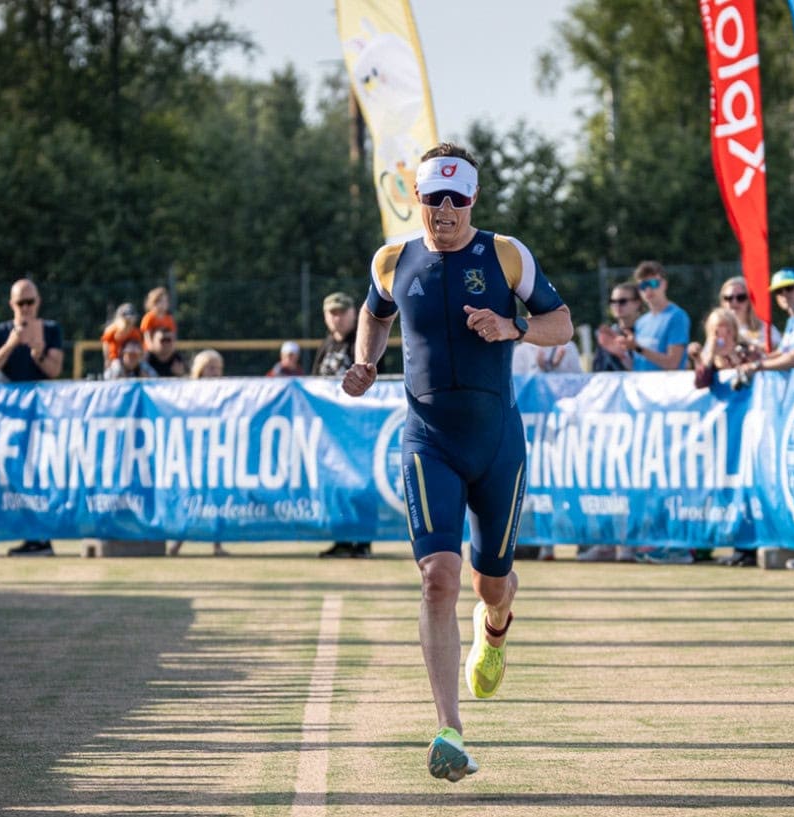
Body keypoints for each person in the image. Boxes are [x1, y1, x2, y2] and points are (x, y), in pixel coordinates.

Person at [341, 142, 573, 782]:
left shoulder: (505, 253)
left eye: (457, 198)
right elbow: (374, 315)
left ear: (472, 199)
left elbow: (562, 322)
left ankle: (496, 628)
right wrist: (367, 361)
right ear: (415, 197)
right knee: (438, 575)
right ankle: (450, 730)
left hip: (497, 441)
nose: (444, 210)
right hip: (428, 440)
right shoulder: (392, 260)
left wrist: (514, 328)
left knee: (490, 581)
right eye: (433, 197)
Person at [0, 279, 64, 556]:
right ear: (11, 305)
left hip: (41, 419)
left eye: (31, 302)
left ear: (38, 302)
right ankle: (30, 536)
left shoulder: (51, 330)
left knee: (38, 476)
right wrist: (12, 343)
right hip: (8, 420)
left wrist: (38, 351)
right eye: (21, 303)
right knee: (13, 477)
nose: (26, 308)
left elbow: (54, 370)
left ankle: (41, 538)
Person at [314, 292, 373, 559]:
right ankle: (341, 538)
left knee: (360, 482)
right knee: (335, 482)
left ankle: (362, 541)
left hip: (357, 427)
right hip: (331, 429)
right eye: (332, 313)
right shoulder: (326, 345)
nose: (337, 318)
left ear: (353, 314)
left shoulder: (362, 342)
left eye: (342, 312)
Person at [169, 350, 229, 557]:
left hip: (216, 453)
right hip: (194, 454)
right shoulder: (190, 392)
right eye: (211, 367)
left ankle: (217, 544)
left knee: (218, 501)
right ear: (201, 370)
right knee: (191, 500)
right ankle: (178, 542)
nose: (215, 372)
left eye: (218, 368)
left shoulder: (225, 392)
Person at [629, 261, 690, 371]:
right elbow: (639, 365)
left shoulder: (677, 316)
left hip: (667, 387)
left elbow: (672, 363)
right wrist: (618, 353)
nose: (648, 290)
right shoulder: (641, 322)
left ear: (664, 284)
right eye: (643, 286)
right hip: (641, 386)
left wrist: (638, 348)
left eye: (653, 284)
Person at [718, 275, 779, 356]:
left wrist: (752, 347)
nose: (734, 302)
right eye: (728, 298)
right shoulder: (717, 329)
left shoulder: (764, 327)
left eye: (741, 297)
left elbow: (782, 352)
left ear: (750, 301)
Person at [593, 281, 643, 372]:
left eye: (622, 301)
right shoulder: (607, 335)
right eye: (613, 301)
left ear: (637, 303)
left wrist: (624, 357)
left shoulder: (648, 331)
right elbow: (598, 371)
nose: (617, 305)